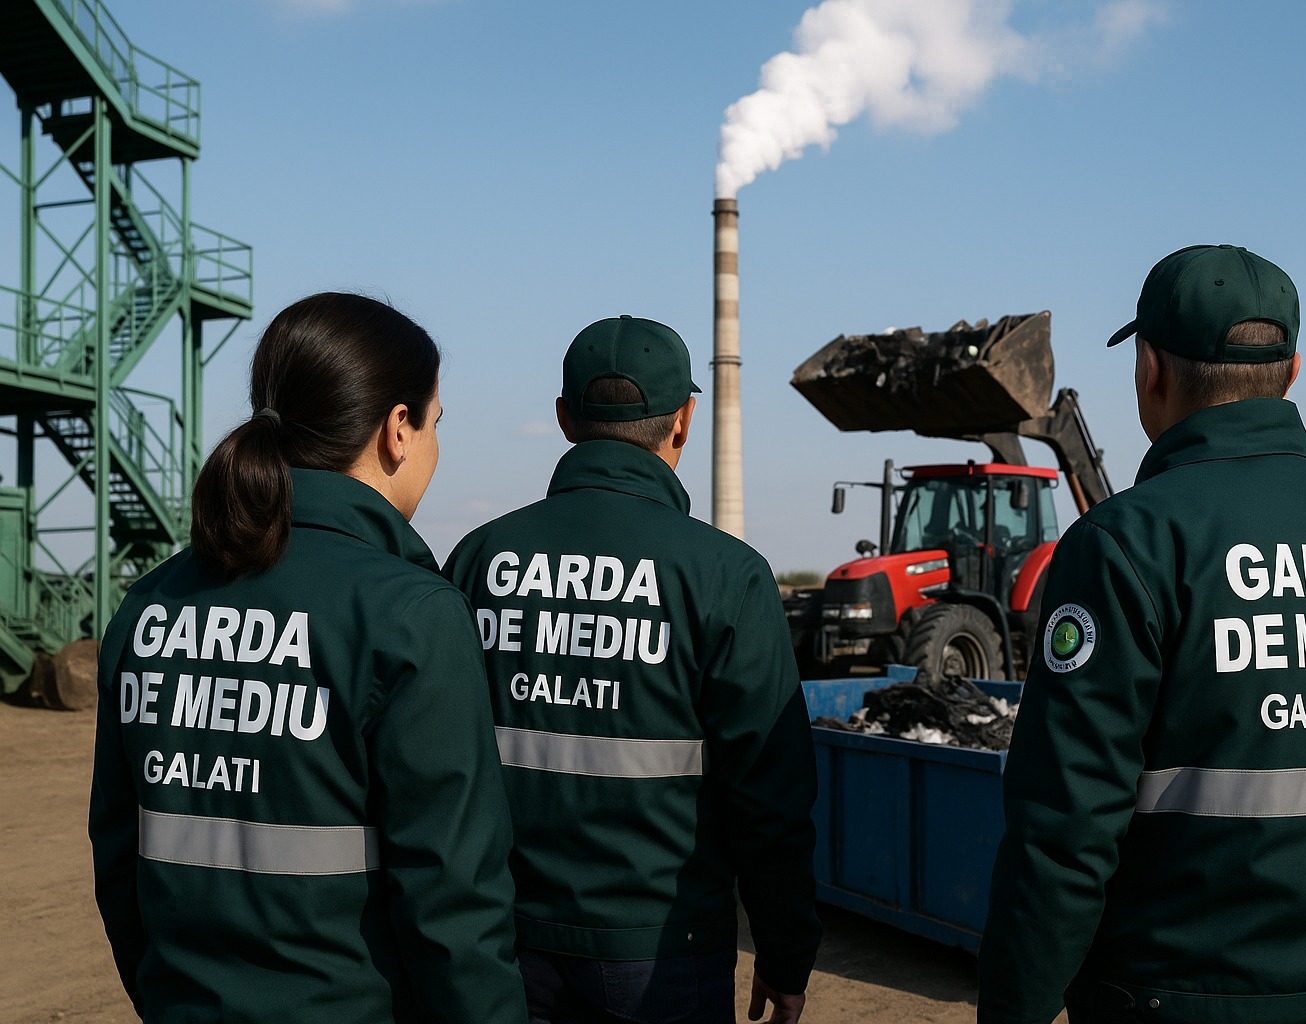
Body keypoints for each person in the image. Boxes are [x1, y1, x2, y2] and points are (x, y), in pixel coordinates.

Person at [977, 245, 1306, 1024]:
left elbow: (1066, 831)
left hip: (1163, 1000)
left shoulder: (1126, 545)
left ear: (1150, 368)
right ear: (1293, 371)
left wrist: (1014, 1008)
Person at [89, 292, 526, 1023]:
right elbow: (454, 903)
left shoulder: (150, 604)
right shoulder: (410, 614)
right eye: (435, 424)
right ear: (397, 430)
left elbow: (118, 854)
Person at [444, 315, 821, 1024]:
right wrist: (785, 951)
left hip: (502, 947)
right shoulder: (727, 576)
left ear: (562, 418)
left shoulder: (475, 560)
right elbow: (772, 800)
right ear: (685, 421)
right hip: (666, 953)